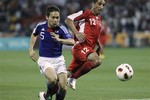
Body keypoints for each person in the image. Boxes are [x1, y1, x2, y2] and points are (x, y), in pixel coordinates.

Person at [29, 6, 74, 100]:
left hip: (59, 60)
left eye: (57, 17)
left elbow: (72, 41)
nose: (55, 20)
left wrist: (59, 39)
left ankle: (44, 96)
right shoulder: (40, 26)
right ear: (47, 17)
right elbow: (34, 34)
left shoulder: (62, 28)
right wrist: (31, 49)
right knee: (53, 79)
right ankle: (48, 95)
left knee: (63, 87)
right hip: (45, 60)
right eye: (53, 17)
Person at [65, 0, 106, 90]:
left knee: (64, 77)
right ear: (93, 4)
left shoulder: (99, 18)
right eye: (99, 4)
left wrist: (99, 45)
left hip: (87, 49)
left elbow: (93, 34)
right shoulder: (86, 13)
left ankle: (46, 94)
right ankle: (73, 79)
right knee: (97, 60)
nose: (101, 7)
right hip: (80, 47)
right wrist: (76, 33)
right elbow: (68, 20)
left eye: (103, 5)